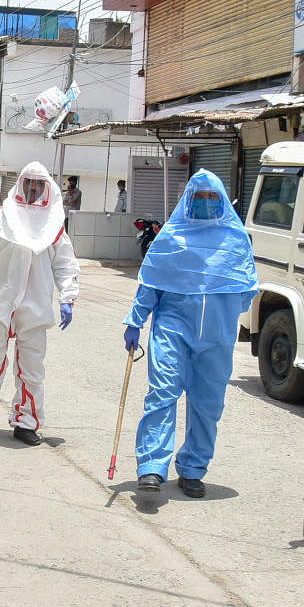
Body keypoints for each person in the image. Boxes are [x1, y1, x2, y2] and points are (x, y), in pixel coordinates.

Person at [122, 169, 257, 498]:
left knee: (208, 403)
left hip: (217, 336)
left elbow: (246, 291)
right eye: (199, 198)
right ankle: (152, 466)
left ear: (222, 202)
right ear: (187, 201)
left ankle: (194, 467)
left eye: (212, 199)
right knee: (163, 392)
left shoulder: (234, 239)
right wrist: (136, 320)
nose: (205, 205)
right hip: (173, 327)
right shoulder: (172, 237)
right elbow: (151, 283)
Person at [0, 161, 80, 446]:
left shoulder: (53, 223)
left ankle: (26, 422)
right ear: (21, 184)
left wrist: (68, 297)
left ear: (45, 188)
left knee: (31, 367)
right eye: (29, 182)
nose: (33, 188)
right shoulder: (3, 216)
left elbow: (65, 263)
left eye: (39, 184)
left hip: (35, 305)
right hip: (1, 300)